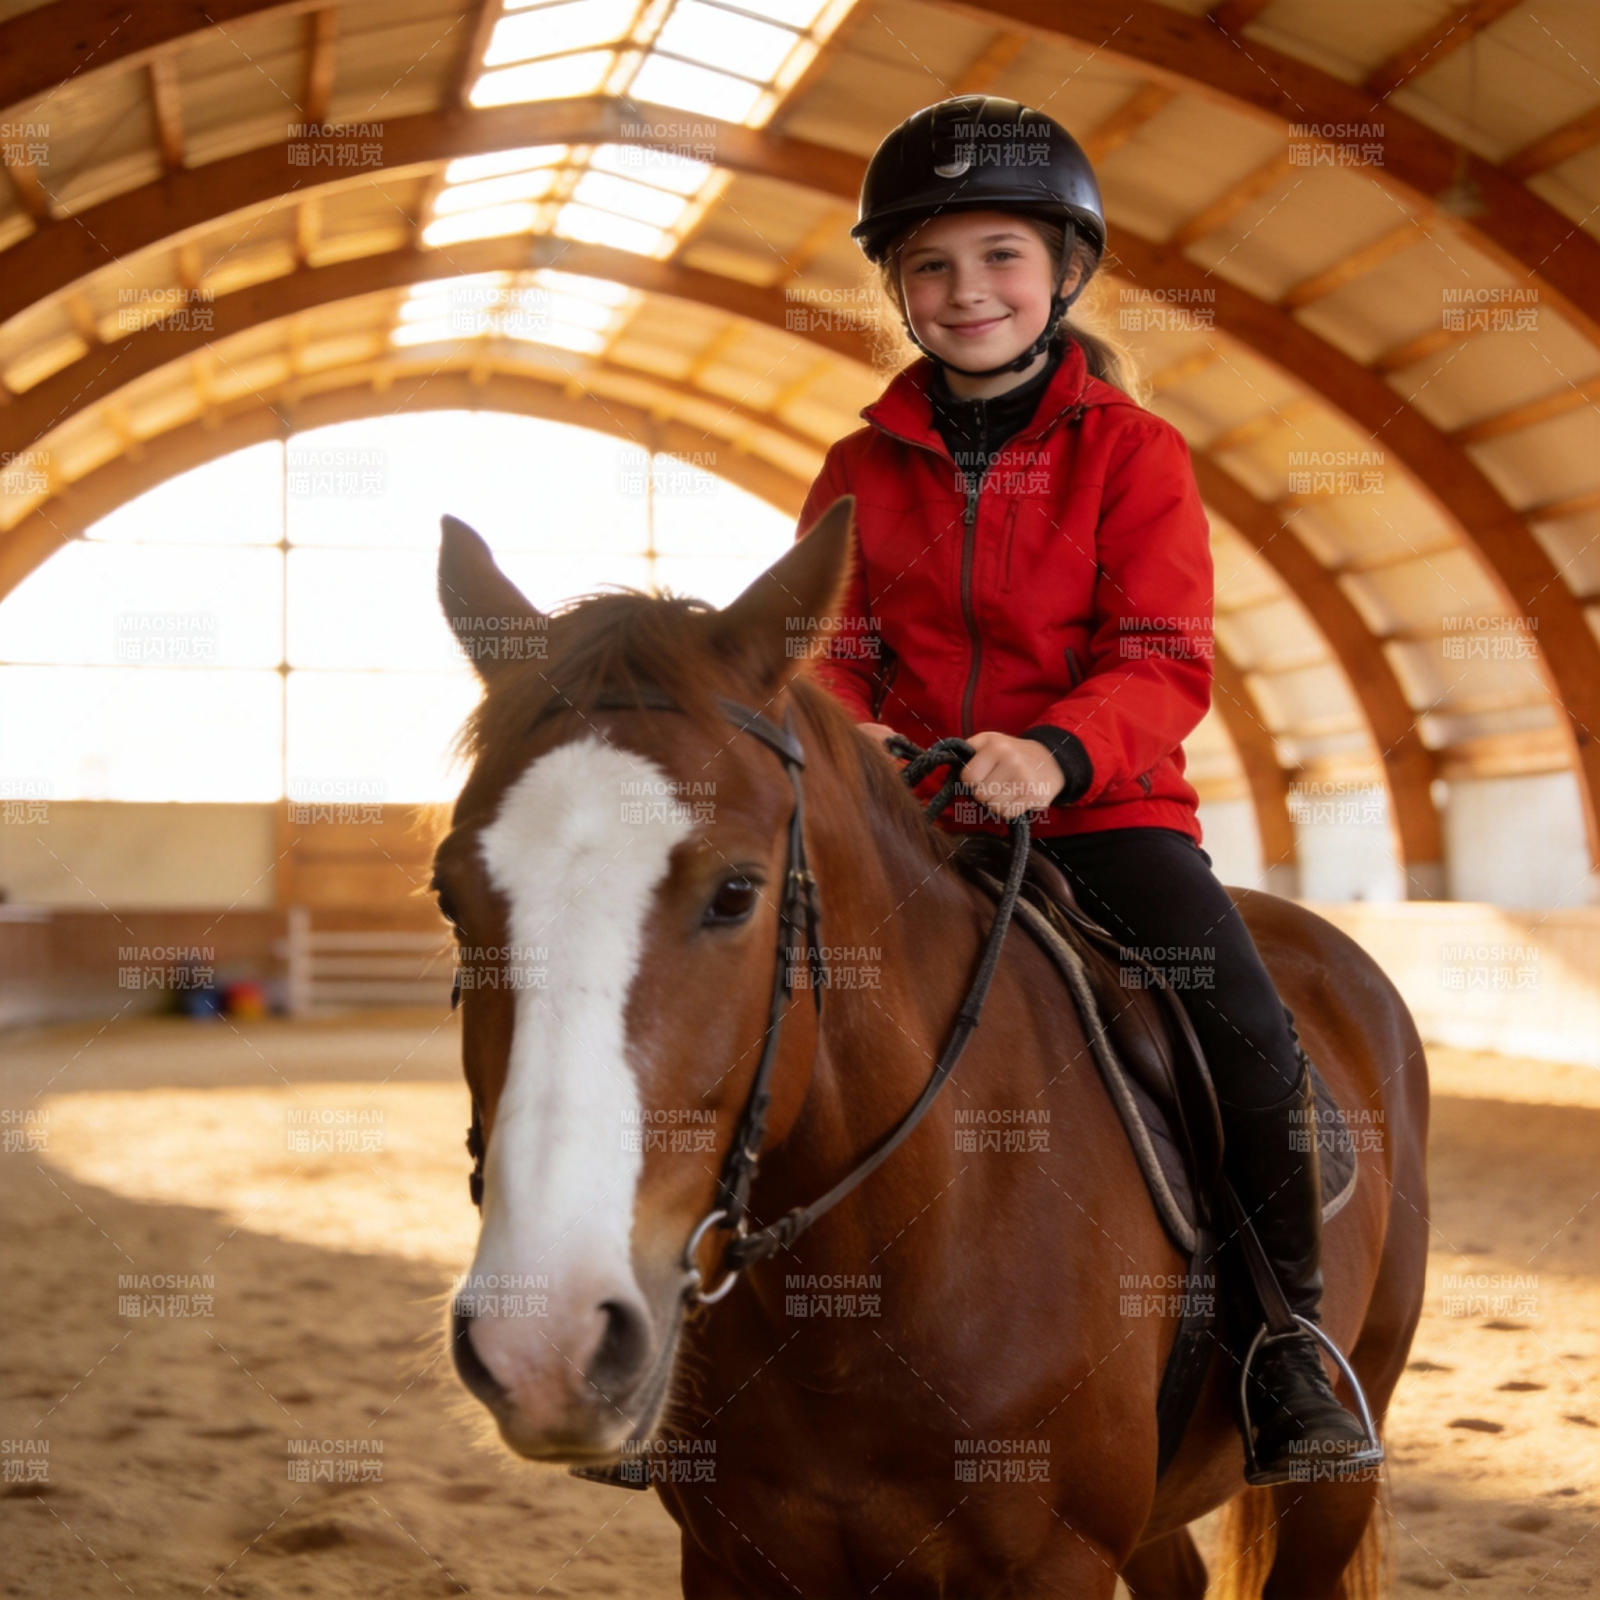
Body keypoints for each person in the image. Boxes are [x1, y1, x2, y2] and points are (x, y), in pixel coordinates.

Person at [795, 94, 1377, 1485]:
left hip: (1107, 817)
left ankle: (1289, 1340)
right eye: (931, 265)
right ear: (899, 289)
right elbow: (837, 649)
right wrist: (851, 733)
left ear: (1063, 270)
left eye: (998, 256)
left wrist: (1054, 753)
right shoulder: (856, 468)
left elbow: (1166, 656)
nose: (964, 291)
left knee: (1241, 1025)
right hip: (916, 825)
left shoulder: (1135, 453)